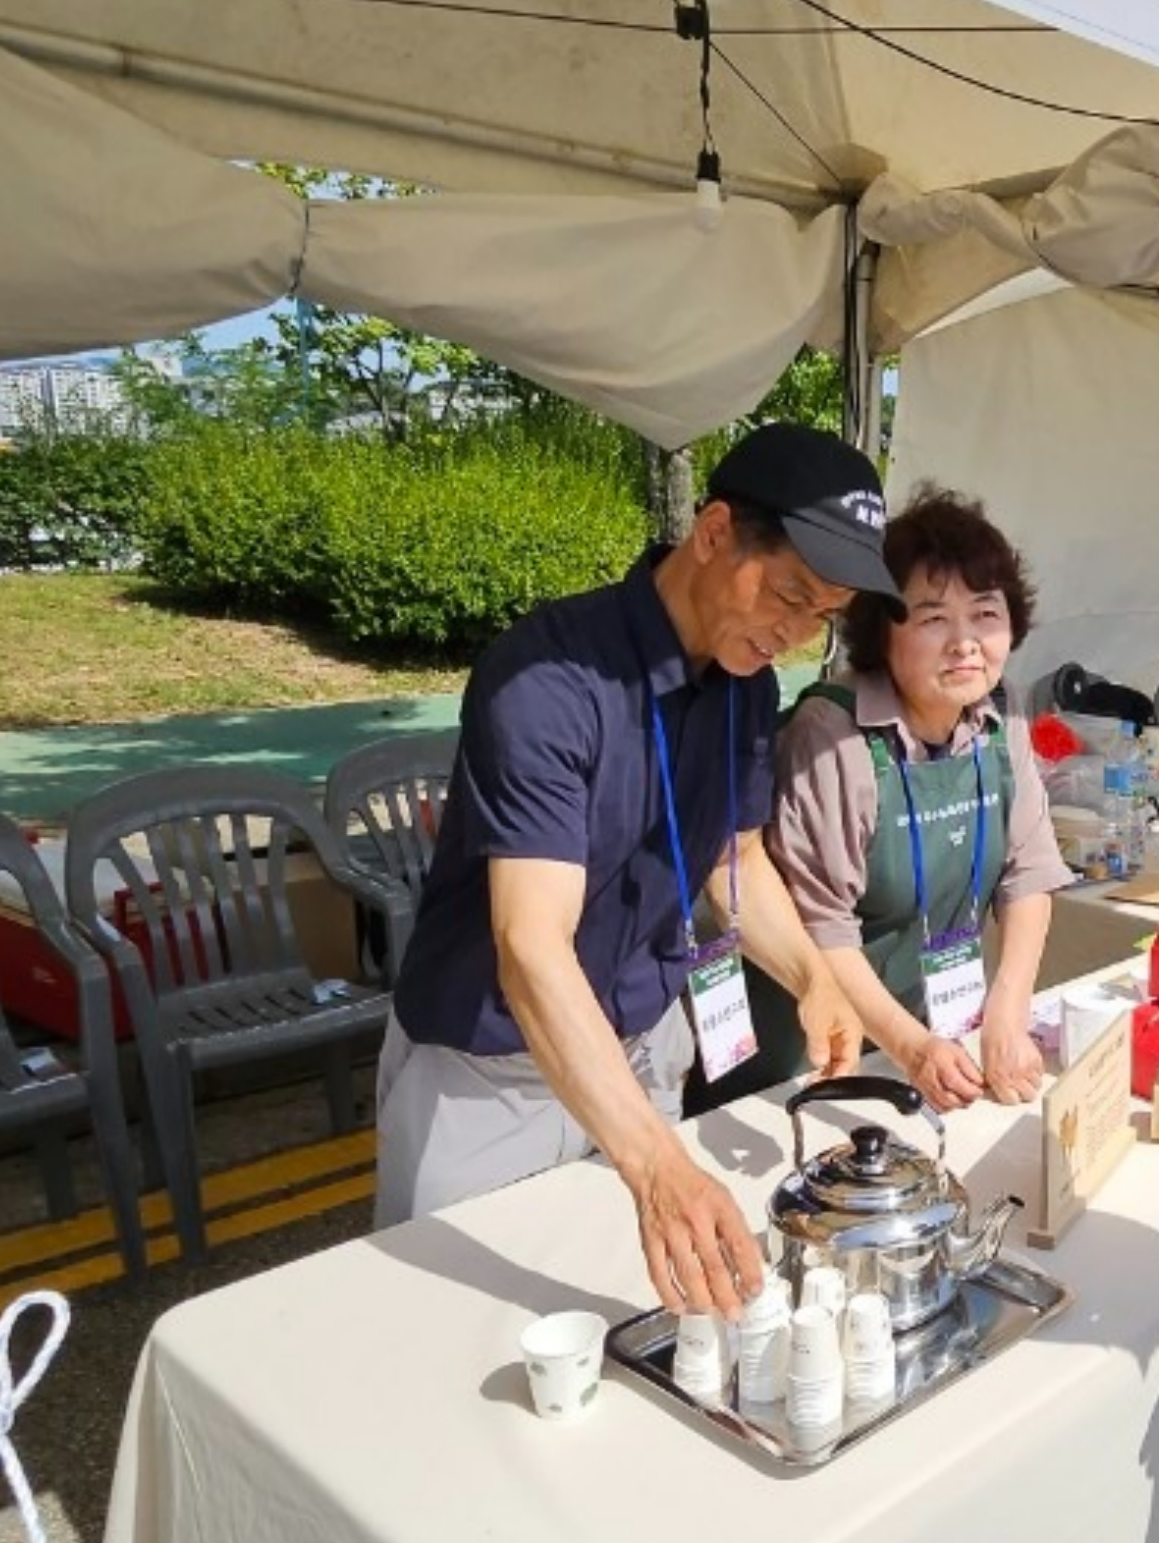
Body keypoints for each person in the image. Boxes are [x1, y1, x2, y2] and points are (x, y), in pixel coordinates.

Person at [371, 424, 888, 1312]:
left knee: (629, 1317)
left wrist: (811, 976)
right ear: (715, 532)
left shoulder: (748, 687)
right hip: (494, 1071)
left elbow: (732, 856)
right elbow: (529, 945)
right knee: (446, 1334)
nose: (796, 634)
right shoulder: (546, 678)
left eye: (823, 616)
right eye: (791, 595)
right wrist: (656, 1167)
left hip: (646, 1052)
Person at [764, 489, 1072, 1111]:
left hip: (938, 1038)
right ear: (883, 631)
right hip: (820, 1052)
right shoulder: (833, 735)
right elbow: (823, 926)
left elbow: (1029, 871)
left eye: (985, 613)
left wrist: (1006, 1013)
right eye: (933, 619)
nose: (965, 643)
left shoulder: (1000, 710)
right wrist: (911, 1048)